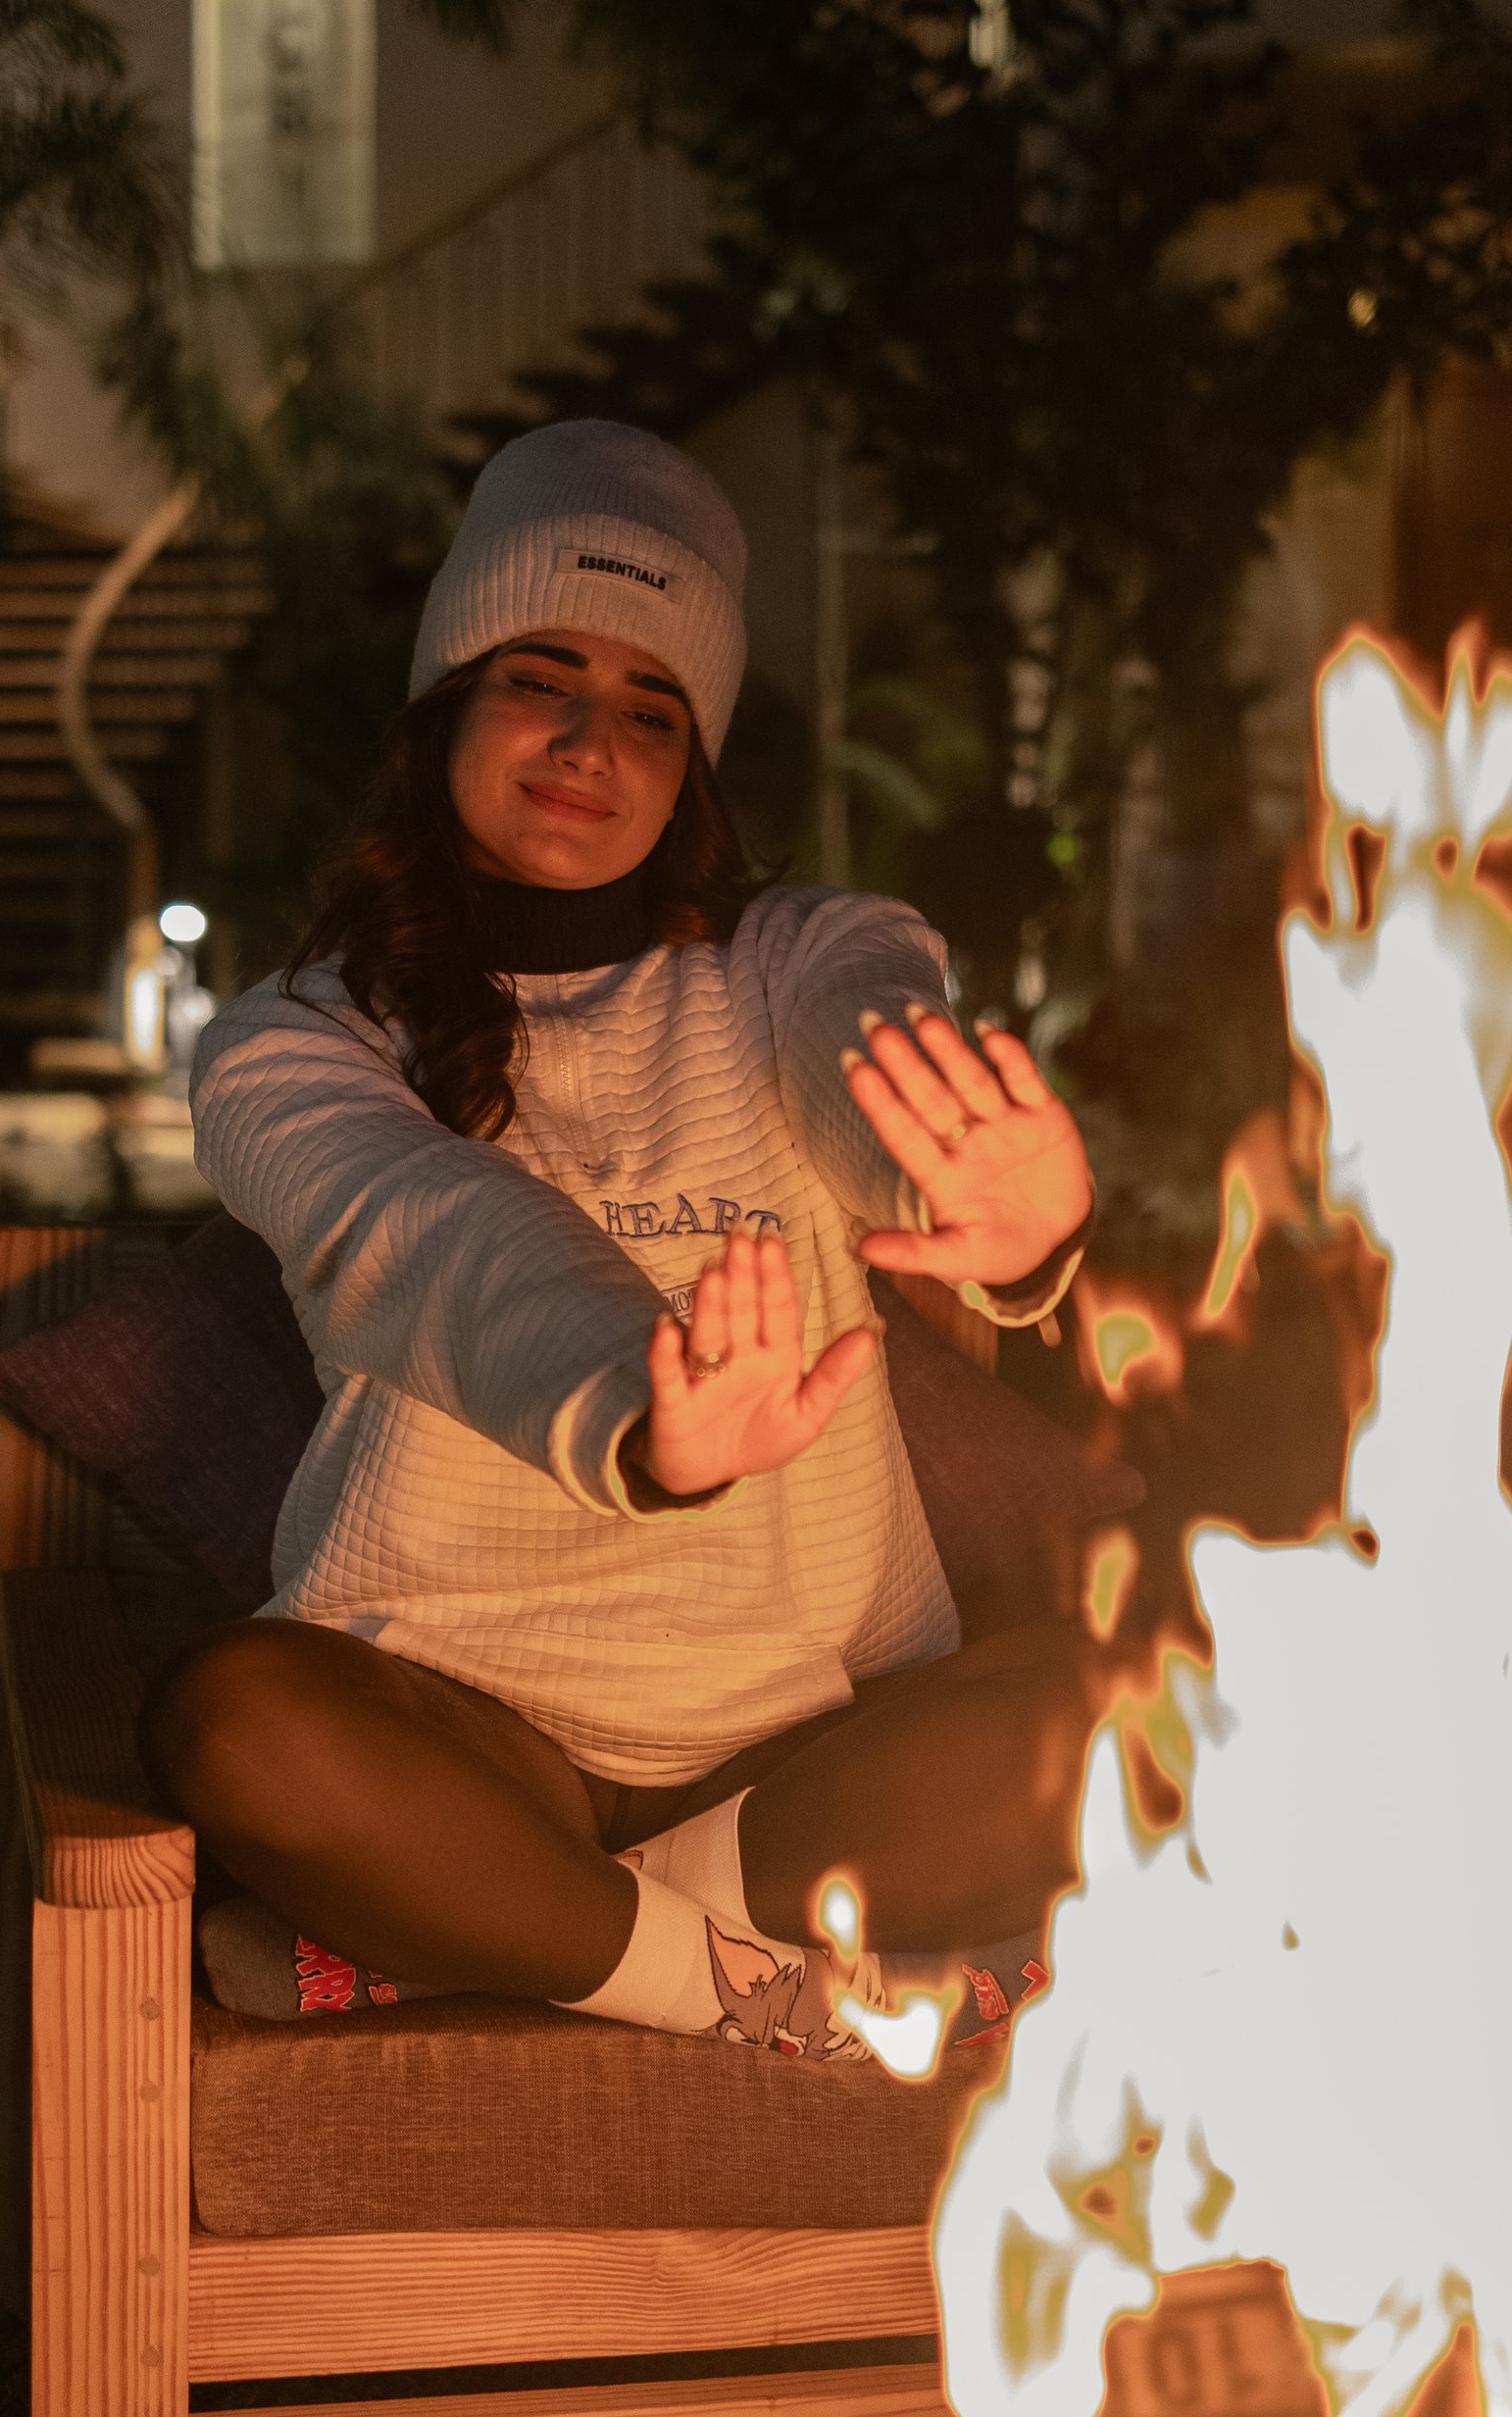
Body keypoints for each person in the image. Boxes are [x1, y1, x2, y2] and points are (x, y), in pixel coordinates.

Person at [148, 420, 1100, 2055]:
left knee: (1157, 1699)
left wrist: (983, 1201)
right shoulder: (292, 1041)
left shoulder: (805, 957)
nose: (594, 738)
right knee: (240, 1723)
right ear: (449, 693)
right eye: (544, 674)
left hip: (800, 1745)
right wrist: (634, 1403)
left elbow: (872, 1044)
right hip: (461, 1718)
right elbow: (423, 1228)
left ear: (698, 767)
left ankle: (494, 1925)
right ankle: (731, 1987)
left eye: (655, 708)